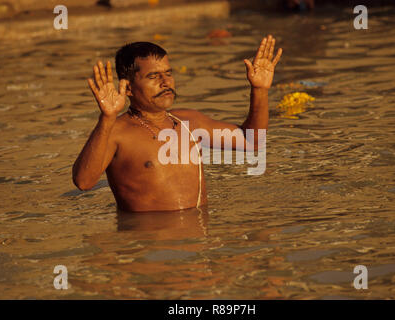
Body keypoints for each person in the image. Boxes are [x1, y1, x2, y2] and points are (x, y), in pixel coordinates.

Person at [72, 35, 282, 212]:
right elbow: (83, 182)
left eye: (168, 73)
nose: (166, 82)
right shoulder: (117, 131)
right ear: (127, 88)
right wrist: (107, 118)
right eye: (153, 76)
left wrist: (260, 91)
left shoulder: (189, 122)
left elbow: (252, 142)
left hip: (198, 246)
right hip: (148, 249)